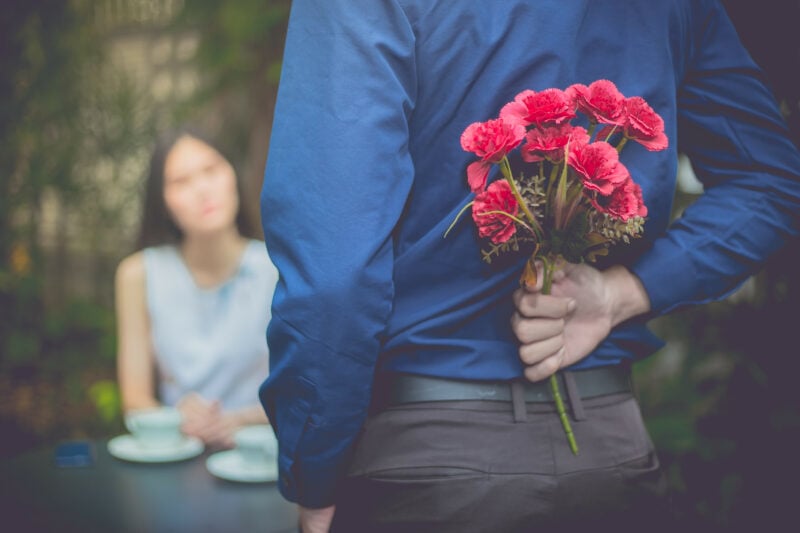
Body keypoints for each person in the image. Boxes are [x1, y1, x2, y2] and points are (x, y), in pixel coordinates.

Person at [259, 1, 800, 531]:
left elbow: (333, 278)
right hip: (611, 457)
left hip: (425, 470)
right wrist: (627, 291)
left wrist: (315, 475)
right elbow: (769, 182)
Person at [116, 127, 278, 449]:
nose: (203, 189)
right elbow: (135, 401)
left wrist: (238, 420)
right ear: (161, 201)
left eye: (211, 170)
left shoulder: (276, 269)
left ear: (232, 173)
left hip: (261, 460)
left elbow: (306, 392)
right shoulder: (138, 274)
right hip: (177, 455)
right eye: (181, 182)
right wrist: (178, 417)